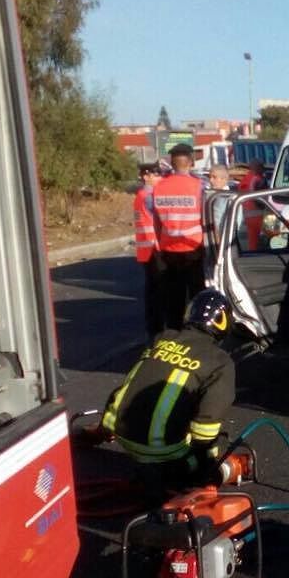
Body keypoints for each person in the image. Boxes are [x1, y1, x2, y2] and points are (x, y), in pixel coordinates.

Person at [101, 290, 237, 508]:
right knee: (212, 449)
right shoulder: (220, 362)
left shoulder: (163, 338)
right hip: (161, 449)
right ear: (224, 324)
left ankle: (151, 468)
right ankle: (186, 477)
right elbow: (205, 431)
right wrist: (207, 469)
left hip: (120, 432)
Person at [152, 143, 206, 330]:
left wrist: (160, 243)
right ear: (190, 163)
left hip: (169, 250)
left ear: (171, 163)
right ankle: (198, 333)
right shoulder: (198, 186)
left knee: (173, 297)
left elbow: (156, 221)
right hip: (193, 248)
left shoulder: (159, 188)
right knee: (197, 295)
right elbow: (205, 218)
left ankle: (174, 332)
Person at [134, 162, 163, 339]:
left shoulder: (141, 195)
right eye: (156, 174)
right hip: (154, 249)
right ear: (146, 176)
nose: (160, 177)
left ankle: (153, 329)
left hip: (146, 250)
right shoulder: (149, 196)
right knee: (158, 293)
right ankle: (157, 331)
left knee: (152, 292)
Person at [237, 159, 268, 250]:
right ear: (257, 168)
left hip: (248, 216)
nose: (263, 170)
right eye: (262, 168)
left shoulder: (244, 180)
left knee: (252, 242)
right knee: (272, 239)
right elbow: (261, 197)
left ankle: (252, 257)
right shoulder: (258, 179)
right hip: (260, 215)